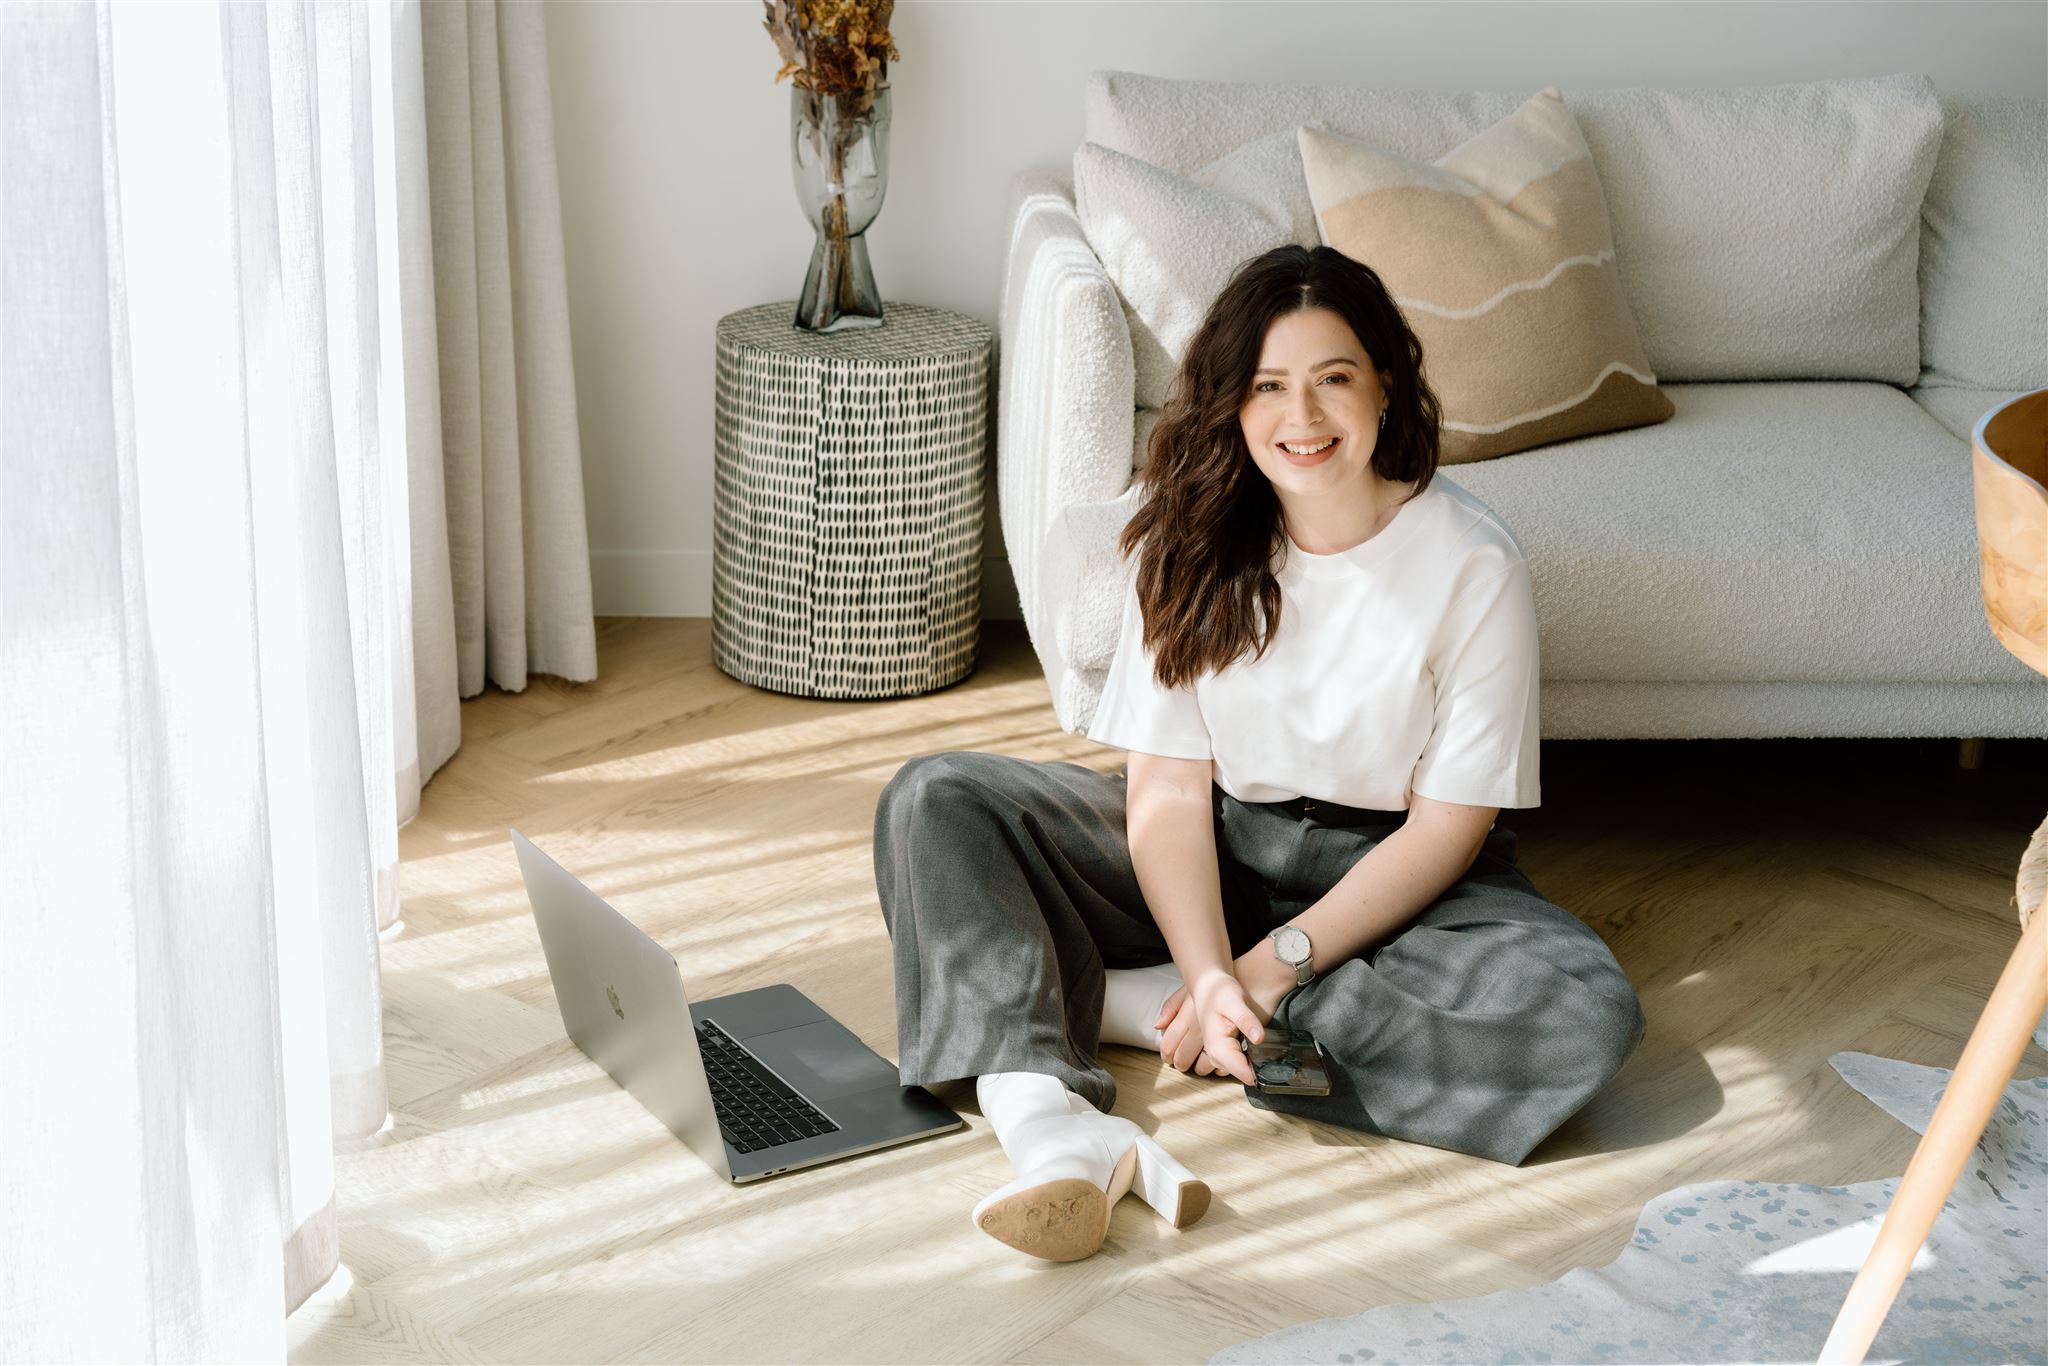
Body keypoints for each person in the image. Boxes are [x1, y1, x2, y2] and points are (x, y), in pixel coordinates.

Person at [872, 243, 1648, 1262]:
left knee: (1578, 1020)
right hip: (1215, 840)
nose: (1304, 417)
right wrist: (1208, 962)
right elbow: (1163, 794)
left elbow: (1450, 826)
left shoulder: (1473, 562)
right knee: (937, 798)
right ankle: (1060, 1112)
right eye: (1268, 386)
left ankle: (1113, 1002)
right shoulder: (1187, 540)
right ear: (1232, 407)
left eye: (1334, 379)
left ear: (1385, 387)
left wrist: (1272, 968)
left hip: (1397, 875)